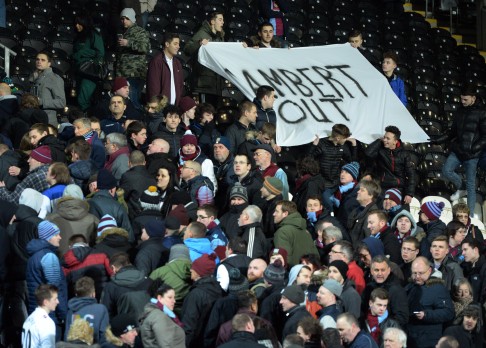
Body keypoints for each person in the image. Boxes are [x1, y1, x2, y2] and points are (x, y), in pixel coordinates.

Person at [435, 84, 486, 214]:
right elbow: (453, 131)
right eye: (461, 99)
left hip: (472, 155)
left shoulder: (482, 112)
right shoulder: (460, 110)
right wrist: (439, 139)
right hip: (458, 150)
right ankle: (460, 186)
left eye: (465, 99)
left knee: (471, 186)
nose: (462, 102)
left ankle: (470, 215)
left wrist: (474, 148)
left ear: (473, 98)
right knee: (446, 170)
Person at [26, 221, 68, 336]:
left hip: (37, 313)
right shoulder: (49, 257)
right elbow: (55, 289)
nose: (60, 237)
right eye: (56, 235)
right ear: (47, 238)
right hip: (51, 316)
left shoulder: (33, 256)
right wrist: (64, 315)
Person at [406, 257, 455, 348]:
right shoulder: (409, 287)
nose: (417, 276)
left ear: (429, 270)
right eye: (414, 273)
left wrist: (426, 314)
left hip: (429, 340)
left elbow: (448, 312)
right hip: (410, 337)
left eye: (420, 273)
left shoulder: (438, 288)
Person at [308, 123, 357, 212]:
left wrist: (354, 146)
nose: (346, 140)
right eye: (345, 138)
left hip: (336, 183)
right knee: (327, 204)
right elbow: (308, 159)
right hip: (323, 184)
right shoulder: (322, 144)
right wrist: (314, 146)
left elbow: (352, 162)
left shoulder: (342, 146)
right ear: (338, 138)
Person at [181, 253, 222, 348]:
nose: (191, 269)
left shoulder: (196, 294)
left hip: (196, 343)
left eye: (194, 268)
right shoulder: (217, 289)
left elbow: (189, 324)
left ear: (199, 272)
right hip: (209, 341)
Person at [365, 126, 415, 202]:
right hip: (382, 188)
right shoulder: (381, 151)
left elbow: (411, 174)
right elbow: (368, 154)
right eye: (384, 137)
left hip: (399, 189)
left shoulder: (404, 154)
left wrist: (409, 194)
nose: (385, 140)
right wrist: (379, 140)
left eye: (388, 138)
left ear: (395, 141)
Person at [184, 11, 225, 98]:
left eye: (223, 20)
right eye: (220, 20)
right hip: (203, 84)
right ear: (213, 21)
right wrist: (199, 43)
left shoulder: (220, 37)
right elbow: (187, 49)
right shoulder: (202, 33)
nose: (223, 22)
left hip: (216, 83)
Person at [101, 252, 152, 319]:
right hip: (150, 323)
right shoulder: (148, 280)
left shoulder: (111, 286)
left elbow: (106, 312)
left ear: (113, 268)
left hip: (127, 326)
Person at [361, 255, 409, 327]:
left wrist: (382, 328)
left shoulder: (397, 290)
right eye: (376, 270)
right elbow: (362, 310)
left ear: (389, 270)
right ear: (371, 271)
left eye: (383, 270)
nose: (380, 274)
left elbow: (402, 317)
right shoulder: (369, 288)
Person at [117, 8, 150, 110]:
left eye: (126, 18)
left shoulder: (140, 32)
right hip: (123, 73)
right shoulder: (123, 32)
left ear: (132, 18)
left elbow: (145, 47)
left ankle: (139, 122)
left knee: (133, 101)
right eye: (122, 19)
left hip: (135, 73)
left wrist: (128, 43)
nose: (124, 21)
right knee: (126, 102)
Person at [88, 169, 134, 242]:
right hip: (114, 248)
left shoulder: (87, 203)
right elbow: (129, 234)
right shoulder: (118, 206)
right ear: (112, 190)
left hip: (93, 249)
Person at [73, 14, 105, 112]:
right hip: (79, 72)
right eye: (76, 23)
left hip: (89, 73)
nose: (77, 26)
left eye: (79, 23)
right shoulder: (79, 37)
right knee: (79, 99)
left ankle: (85, 121)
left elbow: (100, 53)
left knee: (82, 100)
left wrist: (82, 53)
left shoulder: (93, 34)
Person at [64, 277, 109, 345]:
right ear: (93, 294)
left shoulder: (71, 310)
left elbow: (67, 336)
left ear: (76, 294)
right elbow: (104, 336)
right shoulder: (101, 309)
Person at [273, 200, 319, 267]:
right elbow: (316, 256)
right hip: (307, 272)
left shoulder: (282, 232)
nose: (274, 214)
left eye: (277, 211)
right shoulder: (306, 232)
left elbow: (283, 258)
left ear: (285, 213)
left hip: (293, 274)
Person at [139, 283, 185, 348]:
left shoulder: (157, 313)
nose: (174, 301)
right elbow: (165, 344)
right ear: (160, 298)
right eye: (170, 297)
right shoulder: (159, 316)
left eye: (174, 297)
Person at [29, 51, 66, 125]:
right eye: (37, 59)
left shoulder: (54, 78)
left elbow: (61, 102)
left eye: (43, 60)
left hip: (48, 122)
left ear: (49, 63)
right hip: (34, 119)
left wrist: (41, 101)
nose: (39, 62)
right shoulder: (33, 77)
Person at [146, 32, 184, 104]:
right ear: (167, 44)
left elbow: (180, 86)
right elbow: (153, 88)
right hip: (161, 109)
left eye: (178, 44)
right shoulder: (156, 62)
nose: (178, 46)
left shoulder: (177, 63)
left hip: (174, 109)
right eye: (175, 44)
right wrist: (157, 108)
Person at [347, 179, 381, 247]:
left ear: (370, 195)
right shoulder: (355, 211)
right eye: (359, 189)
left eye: (362, 190)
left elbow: (368, 239)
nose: (358, 192)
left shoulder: (373, 215)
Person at [461, 239, 486, 303]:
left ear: (475, 250)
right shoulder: (464, 267)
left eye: (465, 249)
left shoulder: (484, 268)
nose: (462, 253)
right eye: (462, 250)